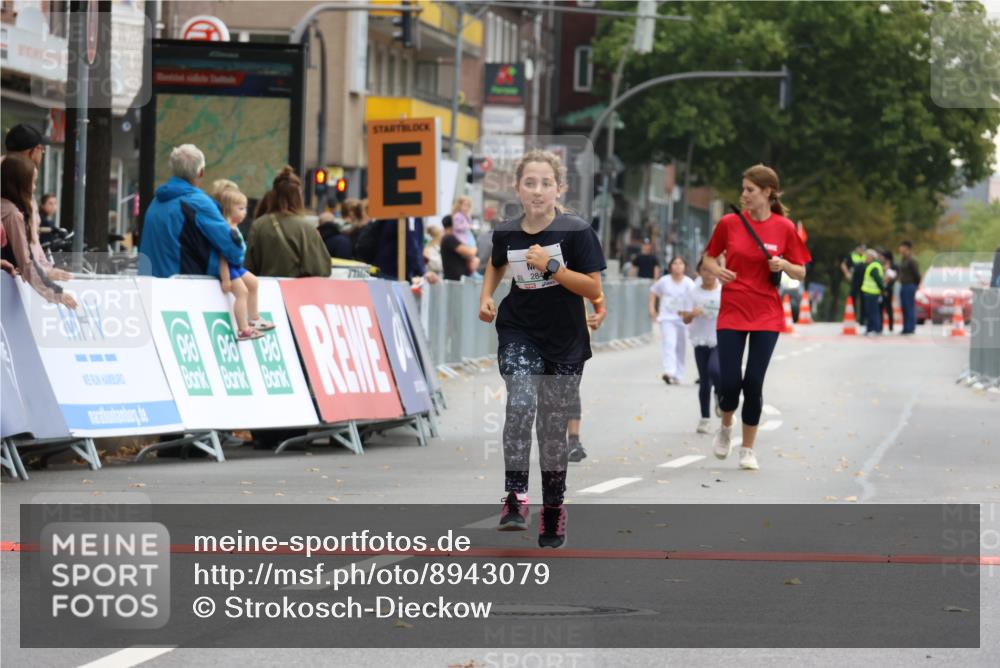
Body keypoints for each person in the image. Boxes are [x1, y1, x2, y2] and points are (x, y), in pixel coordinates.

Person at [478, 149, 605, 548]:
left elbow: (593, 287)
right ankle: (515, 498)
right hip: (520, 330)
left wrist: (552, 268)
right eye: (529, 183)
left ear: (558, 189)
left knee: (552, 430)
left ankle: (553, 509)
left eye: (545, 183)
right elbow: (497, 263)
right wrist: (486, 295)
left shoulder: (576, 232)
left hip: (565, 341)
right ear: (517, 188)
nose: (537, 191)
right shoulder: (507, 232)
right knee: (519, 402)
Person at [702, 164, 810, 471]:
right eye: (744, 188)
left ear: (767, 192)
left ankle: (747, 449)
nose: (744, 194)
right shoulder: (729, 223)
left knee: (753, 383)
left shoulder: (785, 228)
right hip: (733, 310)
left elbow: (801, 271)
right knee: (730, 380)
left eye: (750, 189)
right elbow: (709, 255)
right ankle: (725, 426)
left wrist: (784, 265)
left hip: (766, 313)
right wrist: (716, 269)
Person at [140, 145, 245, 279]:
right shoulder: (199, 203)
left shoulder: (156, 201)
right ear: (201, 172)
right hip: (186, 290)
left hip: (150, 287)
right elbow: (233, 249)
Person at [0, 155, 76, 308]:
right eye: (32, 182)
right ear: (20, 184)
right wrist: (56, 293)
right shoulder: (12, 214)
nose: (34, 188)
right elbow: (26, 263)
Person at [2, 124, 72, 282]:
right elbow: (27, 238)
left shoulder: (13, 175)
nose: (43, 153)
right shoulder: (12, 182)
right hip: (12, 278)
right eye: (41, 148)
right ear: (30, 151)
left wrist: (45, 267)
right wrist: (43, 270)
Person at [244, 166, 332, 278]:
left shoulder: (259, 225)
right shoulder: (306, 227)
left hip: (267, 290)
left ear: (274, 194)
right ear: (298, 196)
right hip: (297, 292)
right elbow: (322, 269)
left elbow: (249, 268)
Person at [215, 188, 274, 341]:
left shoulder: (234, 228)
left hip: (237, 266)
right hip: (229, 268)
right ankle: (243, 329)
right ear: (228, 209)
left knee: (253, 283)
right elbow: (222, 256)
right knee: (242, 293)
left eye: (245, 208)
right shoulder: (226, 229)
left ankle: (253, 318)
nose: (244, 212)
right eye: (240, 208)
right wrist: (226, 278)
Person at [680, 259, 722, 434]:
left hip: (720, 339)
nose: (708, 274)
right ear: (699, 272)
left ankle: (720, 394)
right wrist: (692, 314)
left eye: (712, 270)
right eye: (704, 270)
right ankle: (704, 418)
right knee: (704, 381)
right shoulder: (693, 293)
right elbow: (685, 318)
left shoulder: (723, 291)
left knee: (715, 370)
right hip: (699, 339)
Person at [649, 256, 694, 385]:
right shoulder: (664, 281)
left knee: (680, 347)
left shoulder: (688, 283)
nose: (678, 266)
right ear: (670, 266)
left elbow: (695, 298)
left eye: (680, 263)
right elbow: (652, 292)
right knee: (669, 343)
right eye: (675, 263)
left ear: (685, 267)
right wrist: (652, 308)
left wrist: (691, 316)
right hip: (667, 318)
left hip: (682, 319)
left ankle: (678, 374)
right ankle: (669, 372)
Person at [441, 214, 479, 280]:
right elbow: (470, 252)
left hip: (456, 279)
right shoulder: (449, 238)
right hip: (455, 280)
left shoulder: (447, 238)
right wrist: (474, 247)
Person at [897, 240, 921, 334]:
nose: (900, 249)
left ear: (906, 248)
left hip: (910, 286)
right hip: (903, 285)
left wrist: (915, 285)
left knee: (909, 307)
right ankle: (905, 327)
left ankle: (911, 327)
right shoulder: (903, 259)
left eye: (901, 247)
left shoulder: (912, 260)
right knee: (904, 307)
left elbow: (917, 275)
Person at [841, 243, 867, 323]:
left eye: (863, 249)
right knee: (852, 299)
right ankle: (852, 317)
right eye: (860, 248)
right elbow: (843, 264)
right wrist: (847, 274)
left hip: (864, 281)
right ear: (857, 248)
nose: (862, 250)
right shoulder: (851, 255)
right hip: (855, 280)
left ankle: (863, 319)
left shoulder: (866, 256)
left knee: (863, 300)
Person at [860, 248, 884, 336]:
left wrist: (883, 289)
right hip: (869, 293)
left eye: (867, 256)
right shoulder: (871, 265)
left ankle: (875, 329)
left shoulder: (874, 267)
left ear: (871, 257)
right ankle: (870, 329)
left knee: (873, 312)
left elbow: (878, 280)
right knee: (869, 312)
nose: (865, 258)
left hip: (872, 293)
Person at [880, 249, 897, 333]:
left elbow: (894, 277)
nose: (881, 258)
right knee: (880, 308)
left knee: (889, 308)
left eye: (882, 257)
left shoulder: (893, 266)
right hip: (880, 289)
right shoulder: (880, 265)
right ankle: (880, 326)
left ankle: (890, 327)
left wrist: (887, 271)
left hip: (889, 289)